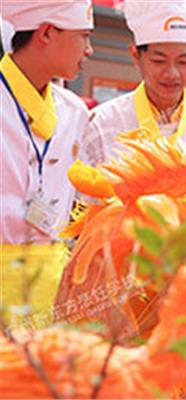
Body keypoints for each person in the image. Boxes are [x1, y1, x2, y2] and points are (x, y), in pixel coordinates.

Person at [80, 0, 186, 238]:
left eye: (183, 61)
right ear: (135, 55)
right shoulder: (102, 124)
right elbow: (84, 211)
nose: (172, 73)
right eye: (159, 61)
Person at [0, 0, 94, 325]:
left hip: (51, 289)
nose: (90, 49)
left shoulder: (75, 112)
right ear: (47, 33)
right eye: (83, 36)